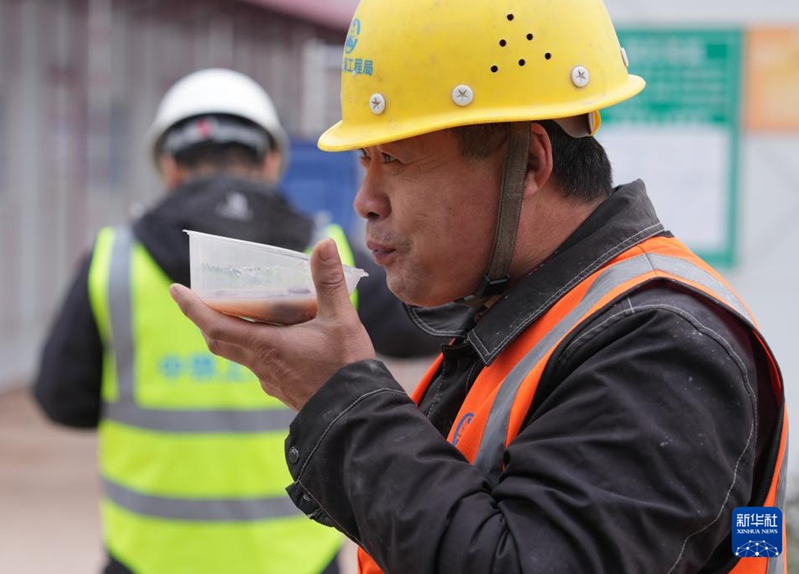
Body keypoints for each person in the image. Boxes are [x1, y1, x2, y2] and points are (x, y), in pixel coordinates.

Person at [170, 2, 789, 573]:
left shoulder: (664, 348)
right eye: (365, 162)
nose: (366, 201)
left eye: (399, 159)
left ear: (531, 164)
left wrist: (341, 399)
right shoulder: (535, 320)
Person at [33, 68, 442, 574]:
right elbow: (422, 323)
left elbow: (61, 400)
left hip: (150, 558)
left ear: (168, 164)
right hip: (296, 560)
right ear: (270, 160)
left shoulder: (112, 258)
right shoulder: (327, 253)